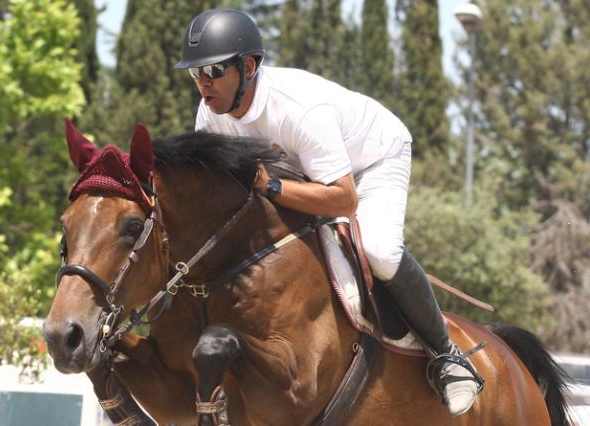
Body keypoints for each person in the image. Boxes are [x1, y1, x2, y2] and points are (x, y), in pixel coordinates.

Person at [175, 8, 483, 417]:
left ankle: (447, 356)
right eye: (196, 73)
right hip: (309, 171)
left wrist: (272, 186)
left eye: (213, 71)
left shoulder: (299, 109)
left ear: (248, 66)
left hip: (370, 161)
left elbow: (343, 199)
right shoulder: (210, 114)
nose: (203, 84)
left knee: (378, 249)